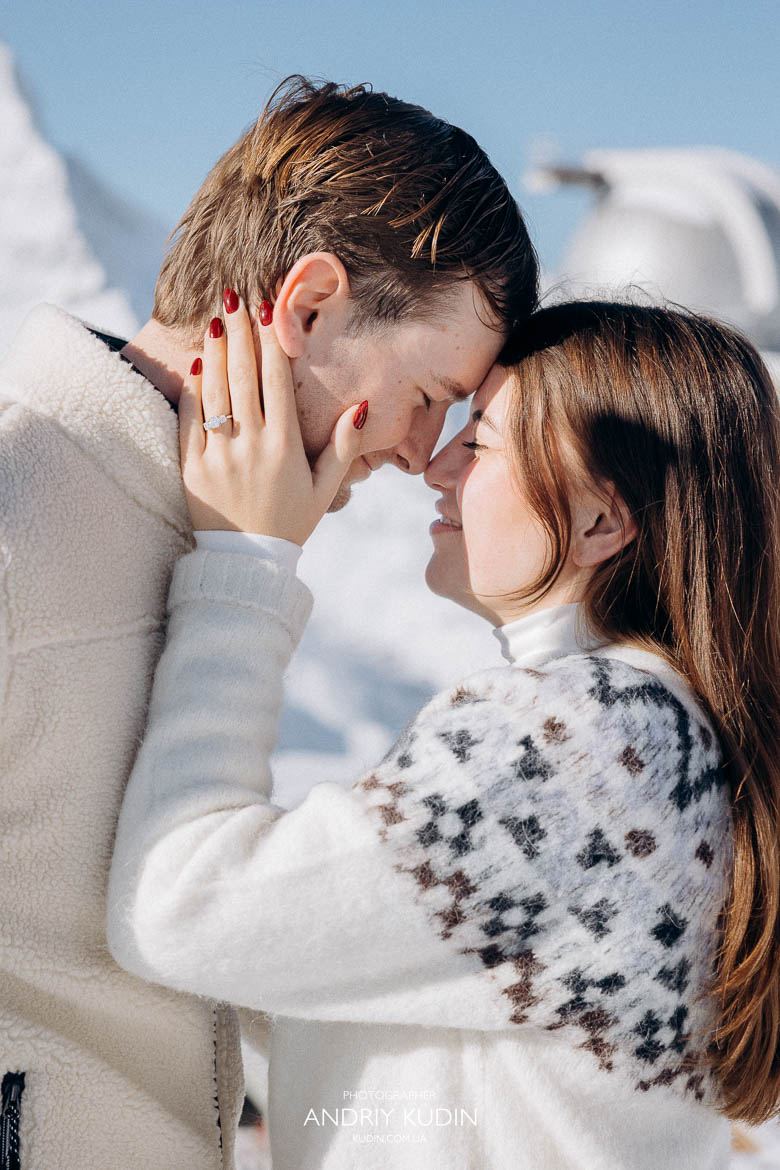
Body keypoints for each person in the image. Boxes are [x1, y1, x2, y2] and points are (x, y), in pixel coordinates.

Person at [0, 76, 537, 1169]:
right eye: (431, 391)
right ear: (308, 307)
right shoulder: (20, 504)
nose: (422, 452)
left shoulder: (205, 531)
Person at [106, 298, 780, 1169]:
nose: (436, 464)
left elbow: (177, 910)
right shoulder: (657, 740)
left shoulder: (581, 745)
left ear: (602, 522)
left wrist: (245, 564)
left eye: (484, 442)